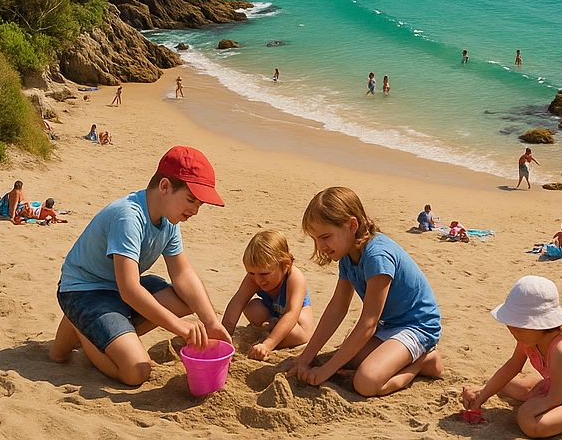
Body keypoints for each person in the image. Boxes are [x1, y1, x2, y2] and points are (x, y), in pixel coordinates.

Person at [49, 145, 231, 385]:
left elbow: (183, 274)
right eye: (191, 200)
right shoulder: (129, 217)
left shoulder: (169, 220)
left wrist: (211, 322)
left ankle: (106, 331)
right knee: (136, 371)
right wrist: (181, 328)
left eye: (200, 205)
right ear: (164, 187)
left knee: (185, 299)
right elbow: (130, 290)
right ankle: (86, 333)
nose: (195, 211)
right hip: (85, 290)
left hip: (115, 287)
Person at [290, 186, 443, 396]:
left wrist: (326, 369)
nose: (320, 245)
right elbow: (337, 307)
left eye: (325, 236)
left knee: (366, 382)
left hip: (417, 327)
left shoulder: (377, 256)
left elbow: (369, 323)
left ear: (352, 225)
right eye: (315, 238)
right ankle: (407, 357)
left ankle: (423, 362)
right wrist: (304, 359)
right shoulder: (347, 254)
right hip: (389, 325)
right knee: (348, 358)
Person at [461, 276, 562, 435]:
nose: (511, 330)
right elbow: (513, 366)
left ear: (539, 325)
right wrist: (483, 394)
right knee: (506, 383)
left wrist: (531, 407)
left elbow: (555, 398)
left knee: (529, 421)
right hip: (554, 387)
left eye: (518, 327)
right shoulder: (529, 340)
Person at [222, 230, 314, 360]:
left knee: (299, 335)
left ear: (285, 265)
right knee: (250, 306)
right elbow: (238, 301)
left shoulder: (295, 277)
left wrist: (268, 344)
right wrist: (225, 333)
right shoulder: (255, 276)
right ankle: (272, 328)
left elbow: (291, 314)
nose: (258, 280)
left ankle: (272, 335)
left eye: (264, 274)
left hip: (296, 319)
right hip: (272, 312)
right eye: (251, 273)